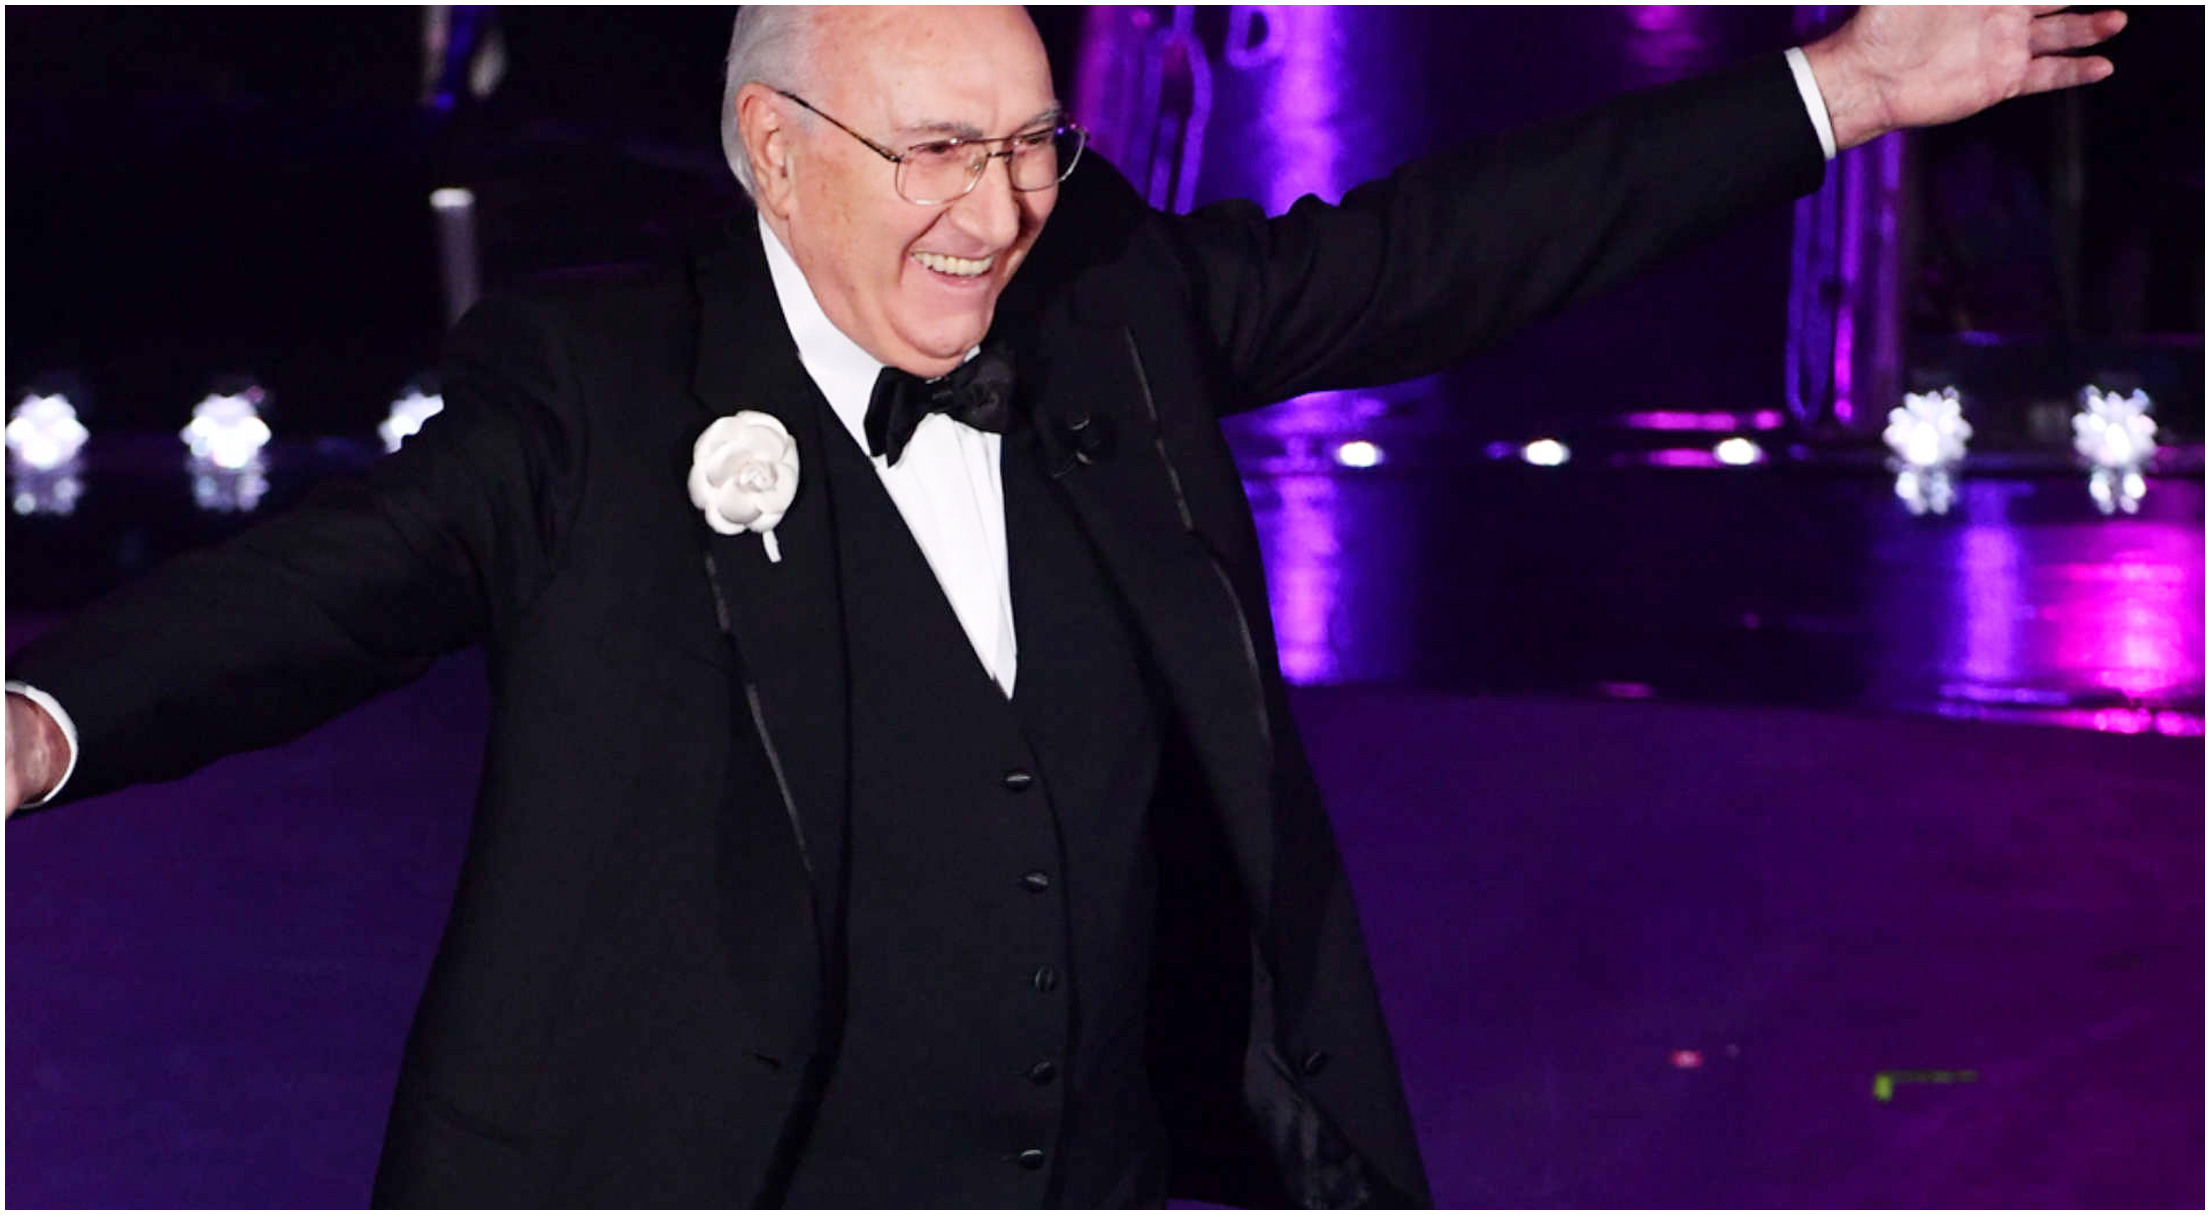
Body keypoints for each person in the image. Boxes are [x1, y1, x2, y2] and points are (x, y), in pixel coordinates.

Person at [4, 5, 2122, 1208]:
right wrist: (44, 712)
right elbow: (334, 582)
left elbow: (1448, 248)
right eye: (937, 151)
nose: (1000, 209)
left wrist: (1839, 87)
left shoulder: (1110, 312)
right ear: (773, 149)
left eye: (1031, 144)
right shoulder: (594, 386)